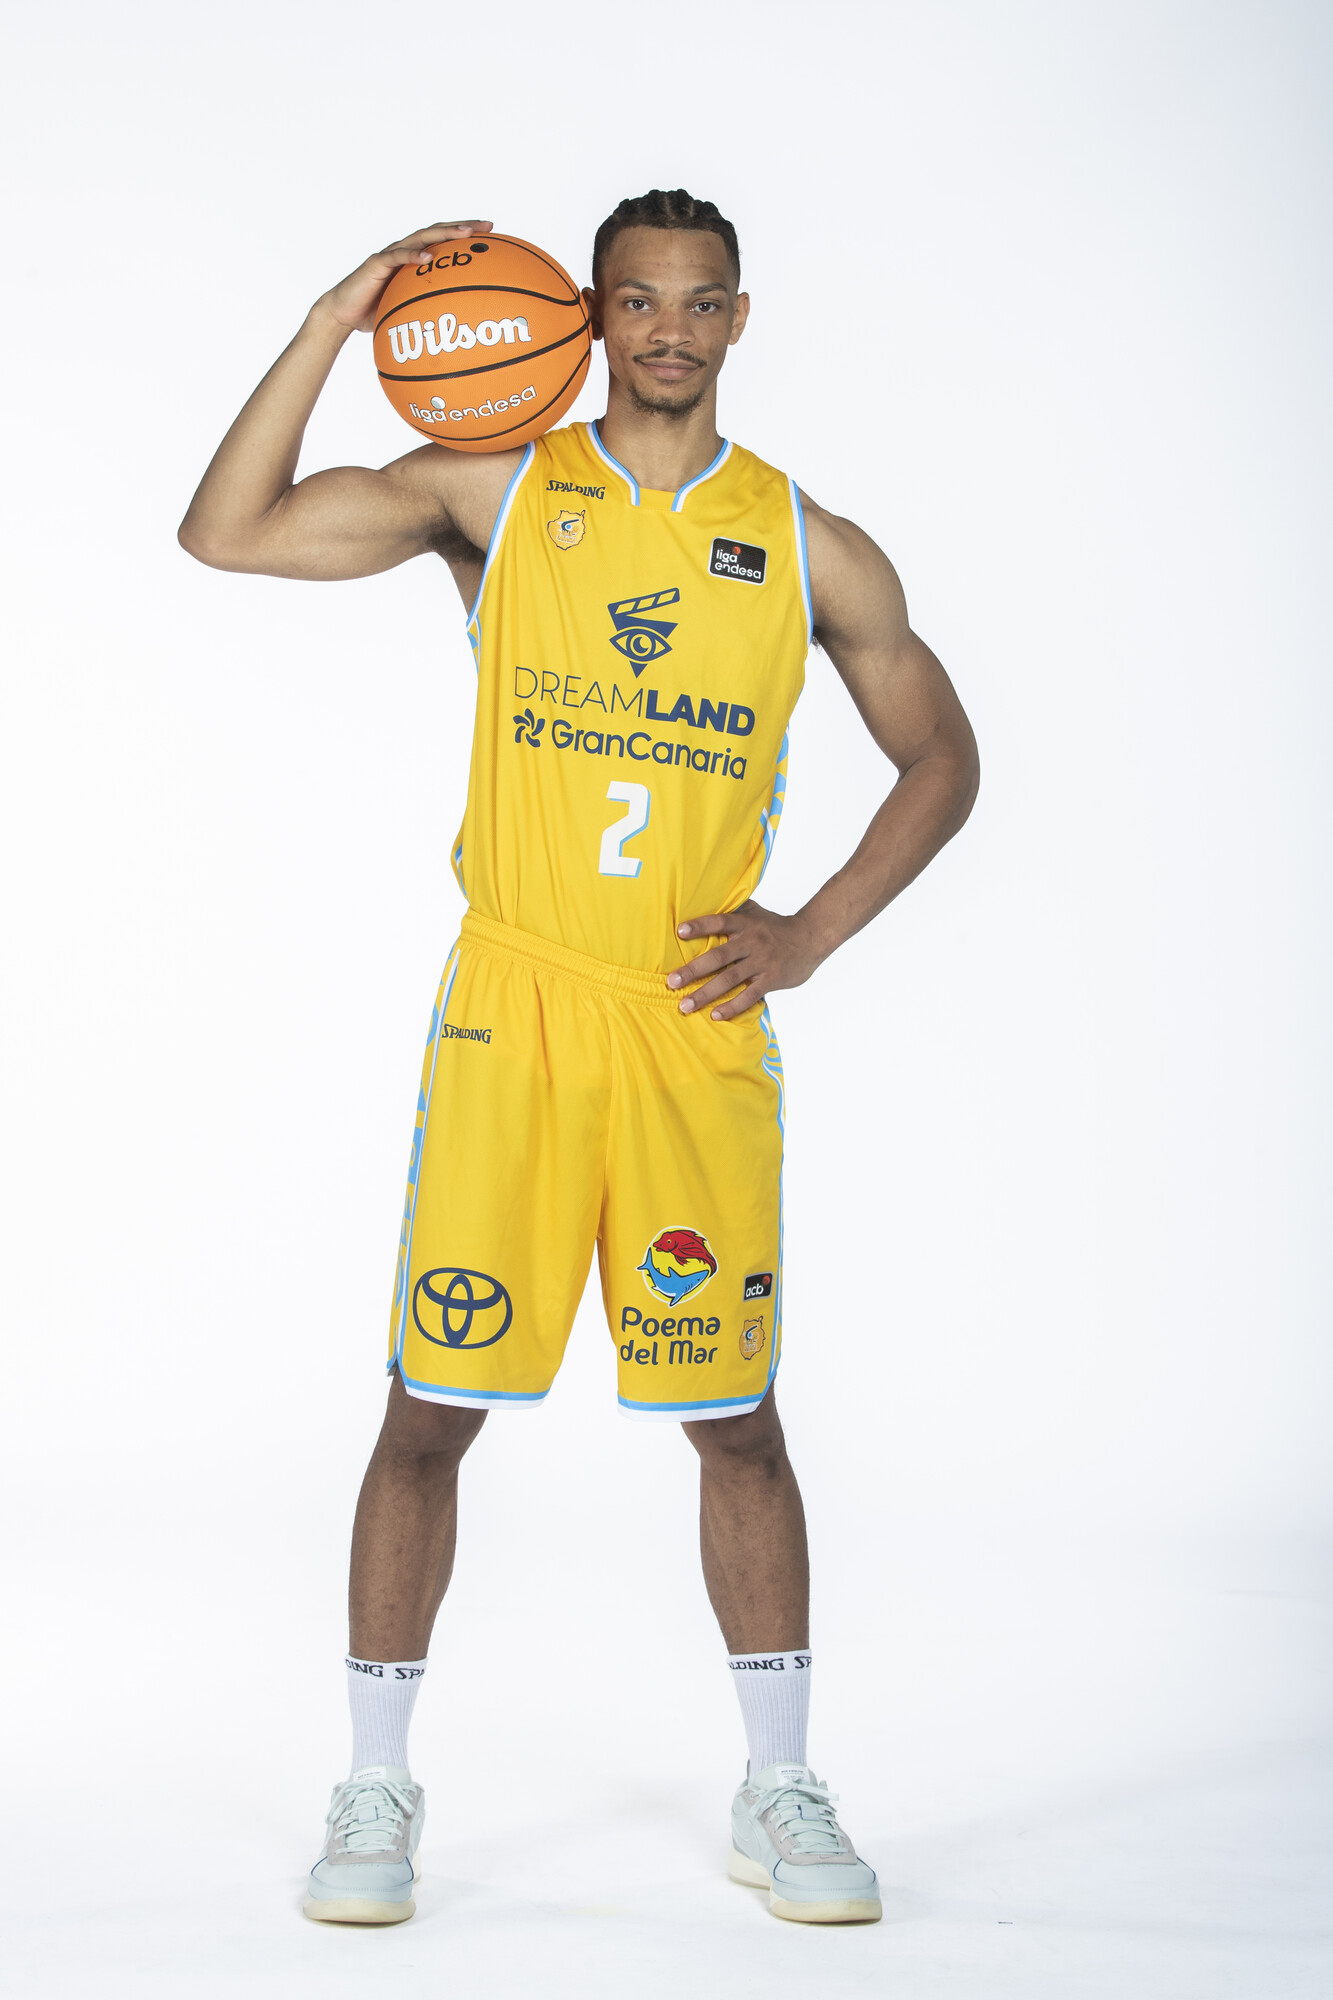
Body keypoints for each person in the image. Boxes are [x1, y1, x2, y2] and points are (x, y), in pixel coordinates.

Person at [179, 188, 979, 1928]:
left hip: (690, 1028)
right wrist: (331, 324)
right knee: (429, 1408)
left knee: (736, 1421)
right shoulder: (496, 491)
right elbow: (224, 532)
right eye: (635, 300)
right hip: (516, 1013)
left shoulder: (811, 545)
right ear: (591, 315)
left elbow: (941, 757)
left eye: (698, 301)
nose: (667, 329)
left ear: (739, 319)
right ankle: (374, 1789)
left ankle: (779, 1789)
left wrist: (810, 932)